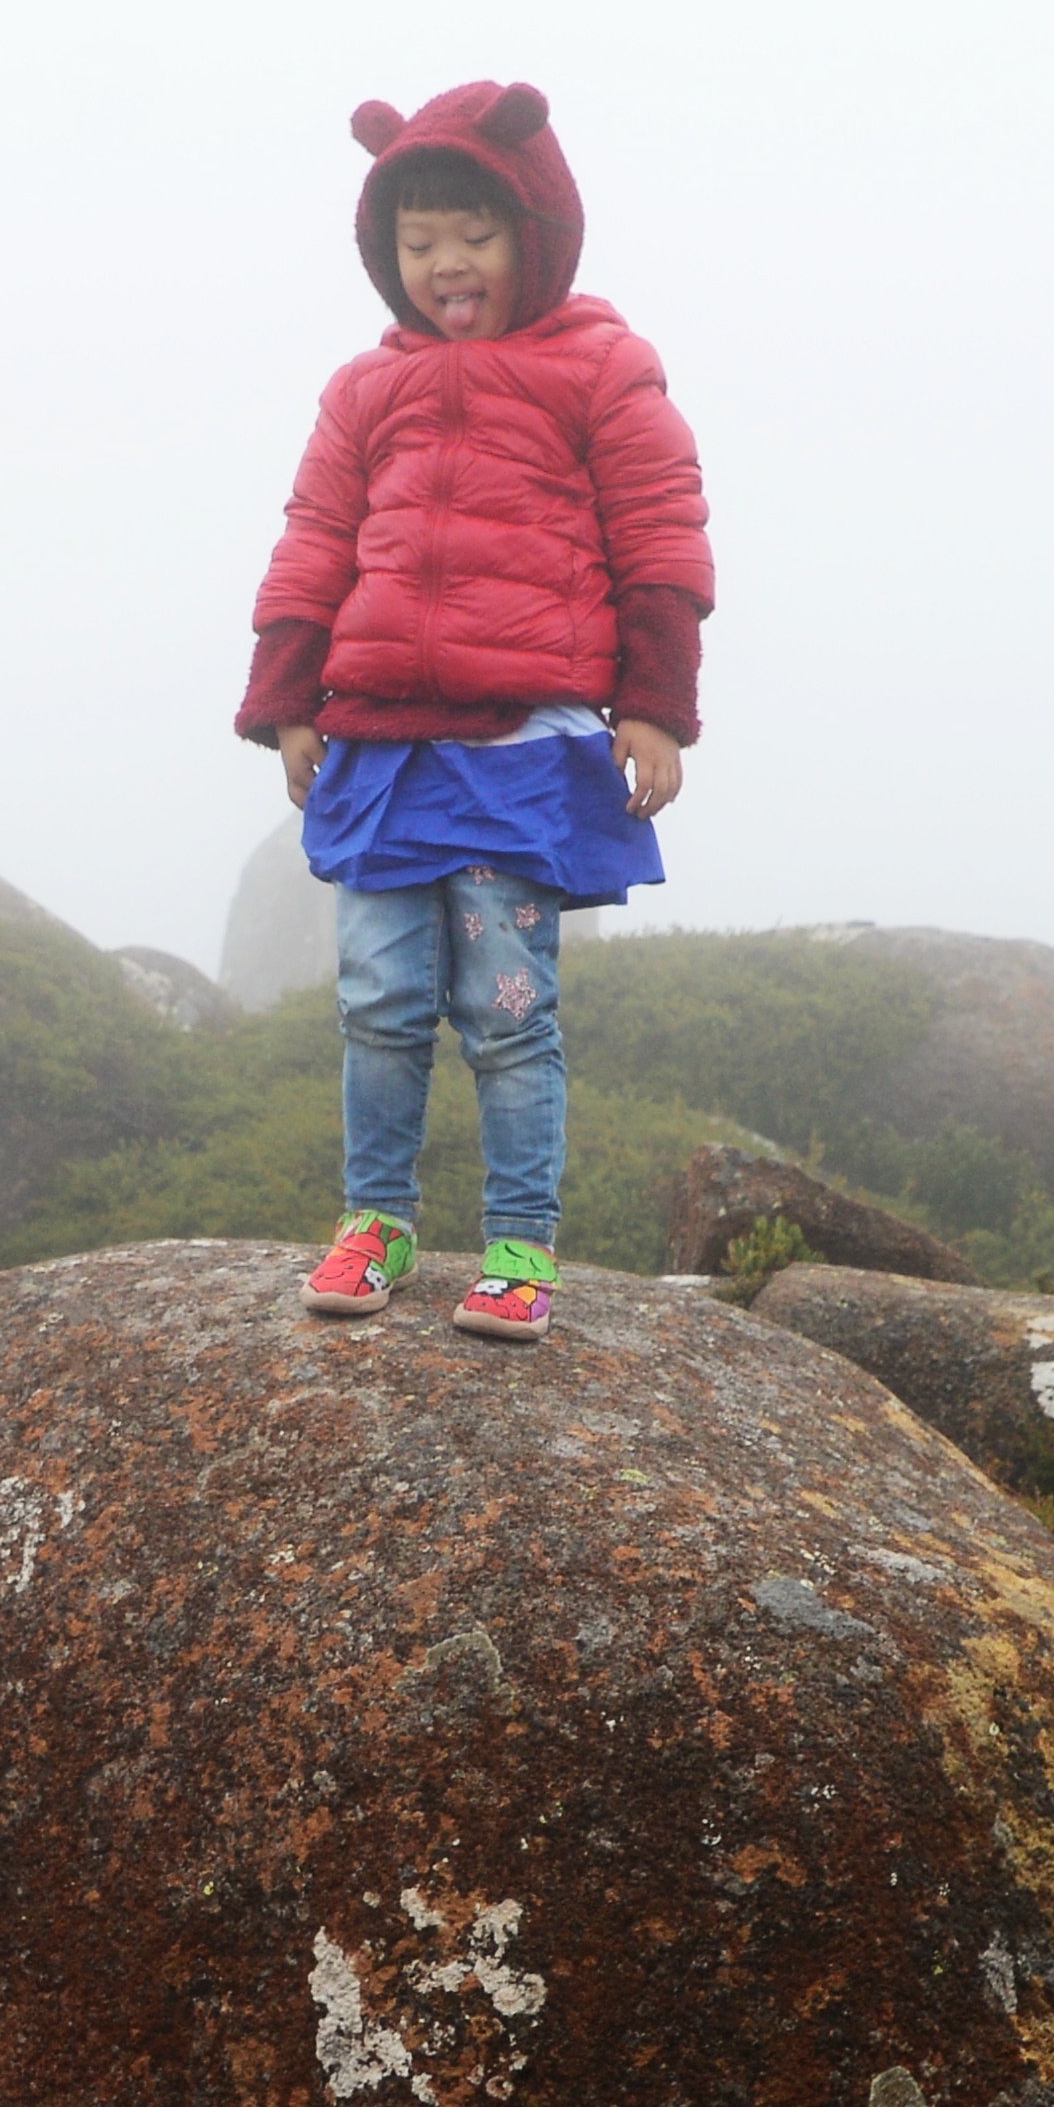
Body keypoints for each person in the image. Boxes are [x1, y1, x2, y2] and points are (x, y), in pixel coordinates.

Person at [233, 78, 717, 1346]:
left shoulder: (602, 366)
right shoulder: (361, 392)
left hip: (516, 752)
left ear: (538, 227)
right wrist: (290, 697)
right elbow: (315, 540)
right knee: (377, 1003)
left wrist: (655, 703)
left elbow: (659, 533)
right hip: (382, 749)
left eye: (475, 233)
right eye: (416, 240)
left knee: (509, 1013)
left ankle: (518, 1245)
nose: (446, 262)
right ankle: (377, 1220)